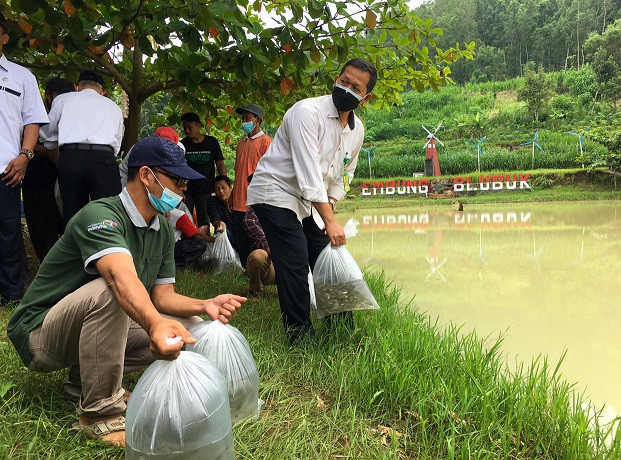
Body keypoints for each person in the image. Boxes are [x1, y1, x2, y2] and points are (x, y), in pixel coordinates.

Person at [7, 136, 245, 446]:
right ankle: (99, 413)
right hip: (41, 333)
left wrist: (204, 305)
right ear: (146, 175)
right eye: (177, 178)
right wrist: (155, 323)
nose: (184, 187)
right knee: (111, 292)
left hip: (87, 328)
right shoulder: (100, 215)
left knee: (192, 332)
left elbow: (163, 298)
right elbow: (120, 279)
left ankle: (84, 380)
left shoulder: (159, 230)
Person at [247, 58, 375, 342]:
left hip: (308, 202)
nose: (347, 88)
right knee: (293, 256)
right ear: (335, 80)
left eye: (356, 87)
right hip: (275, 191)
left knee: (326, 255)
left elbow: (344, 174)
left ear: (365, 98)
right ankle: (299, 336)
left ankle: (340, 329)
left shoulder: (357, 130)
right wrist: (329, 220)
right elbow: (308, 174)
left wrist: (329, 210)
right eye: (344, 81)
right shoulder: (307, 112)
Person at [0, 14, 49, 301]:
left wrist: (25, 156)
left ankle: (11, 294)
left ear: (5, 37)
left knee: (8, 231)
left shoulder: (22, 76)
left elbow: (32, 121)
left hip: (7, 168)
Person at [41, 70, 124, 223]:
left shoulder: (63, 99)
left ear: (77, 86)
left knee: (73, 214)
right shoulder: (113, 106)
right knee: (108, 215)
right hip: (103, 159)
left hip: (72, 157)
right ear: (103, 91)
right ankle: (107, 245)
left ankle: (75, 245)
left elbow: (45, 132)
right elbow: (117, 142)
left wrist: (53, 142)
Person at [23, 77, 74, 262]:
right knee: (44, 232)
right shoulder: (33, 113)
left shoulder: (69, 113)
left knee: (58, 229)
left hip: (57, 180)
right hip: (39, 180)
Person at [231, 104, 271, 267]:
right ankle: (244, 269)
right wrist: (233, 195)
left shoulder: (266, 142)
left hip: (255, 199)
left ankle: (259, 270)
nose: (244, 121)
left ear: (258, 120)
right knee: (241, 238)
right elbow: (238, 171)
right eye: (243, 118)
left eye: (247, 118)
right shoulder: (241, 143)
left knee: (257, 239)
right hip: (238, 200)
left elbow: (270, 172)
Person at [180, 112, 226, 228]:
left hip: (206, 189)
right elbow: (179, 168)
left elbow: (219, 163)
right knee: (185, 220)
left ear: (198, 126)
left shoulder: (212, 142)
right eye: (185, 127)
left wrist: (224, 182)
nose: (187, 130)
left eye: (189, 127)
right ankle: (188, 245)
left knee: (205, 223)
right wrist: (179, 189)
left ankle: (204, 245)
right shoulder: (183, 144)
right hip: (187, 190)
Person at [243, 202, 276, 301]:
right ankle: (255, 289)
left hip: (288, 263)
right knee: (259, 255)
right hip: (270, 265)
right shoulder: (250, 217)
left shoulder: (287, 211)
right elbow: (264, 242)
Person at [206, 175, 235, 244]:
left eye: (223, 188)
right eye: (217, 189)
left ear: (230, 188)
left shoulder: (237, 200)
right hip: (223, 233)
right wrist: (219, 223)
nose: (221, 191)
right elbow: (214, 219)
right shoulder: (212, 201)